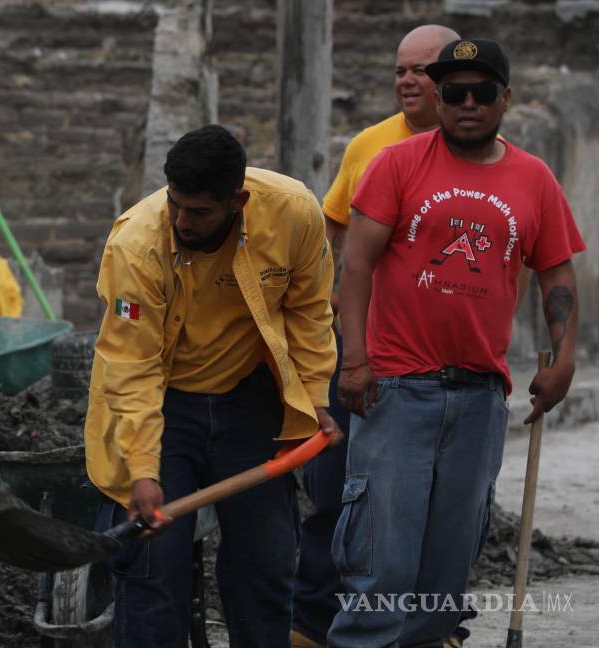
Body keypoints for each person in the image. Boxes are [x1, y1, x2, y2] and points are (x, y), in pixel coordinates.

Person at [331, 39, 584, 647]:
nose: (467, 104)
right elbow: (355, 267)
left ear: (505, 99)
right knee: (380, 568)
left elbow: (556, 273)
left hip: (478, 397)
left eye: (481, 93)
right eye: (454, 93)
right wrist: (355, 360)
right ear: (440, 99)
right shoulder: (397, 164)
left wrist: (565, 358)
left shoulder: (534, 179)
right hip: (395, 388)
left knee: (445, 576)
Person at [84, 124, 340, 647]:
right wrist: (143, 470)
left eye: (198, 211)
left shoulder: (293, 213)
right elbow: (132, 365)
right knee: (154, 570)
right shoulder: (138, 243)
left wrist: (313, 403)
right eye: (176, 204)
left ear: (238, 200)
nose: (182, 220)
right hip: (163, 406)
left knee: (265, 566)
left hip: (249, 402)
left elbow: (310, 314)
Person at [291, 24, 460, 648]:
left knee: (437, 503)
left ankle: (433, 625)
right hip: (361, 348)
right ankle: (312, 621)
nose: (408, 80)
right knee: (336, 489)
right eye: (400, 70)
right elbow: (334, 230)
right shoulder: (369, 145)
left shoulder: (481, 151)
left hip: (442, 360)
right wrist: (340, 302)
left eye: (422, 70)